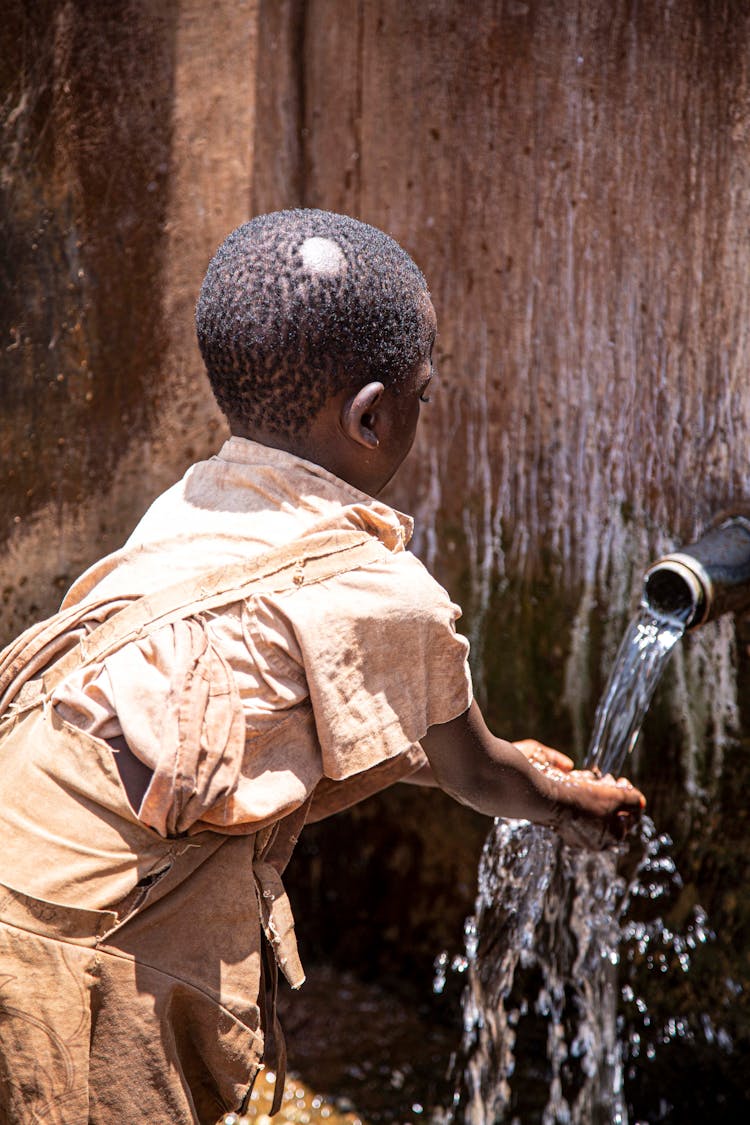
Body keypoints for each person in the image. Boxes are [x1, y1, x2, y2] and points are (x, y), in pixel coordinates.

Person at [0, 209, 644, 1124]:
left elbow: (280, 705)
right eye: (428, 390)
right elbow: (478, 770)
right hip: (68, 959)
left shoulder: (188, 509)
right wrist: (563, 801)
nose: (427, 405)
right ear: (373, 415)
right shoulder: (388, 590)